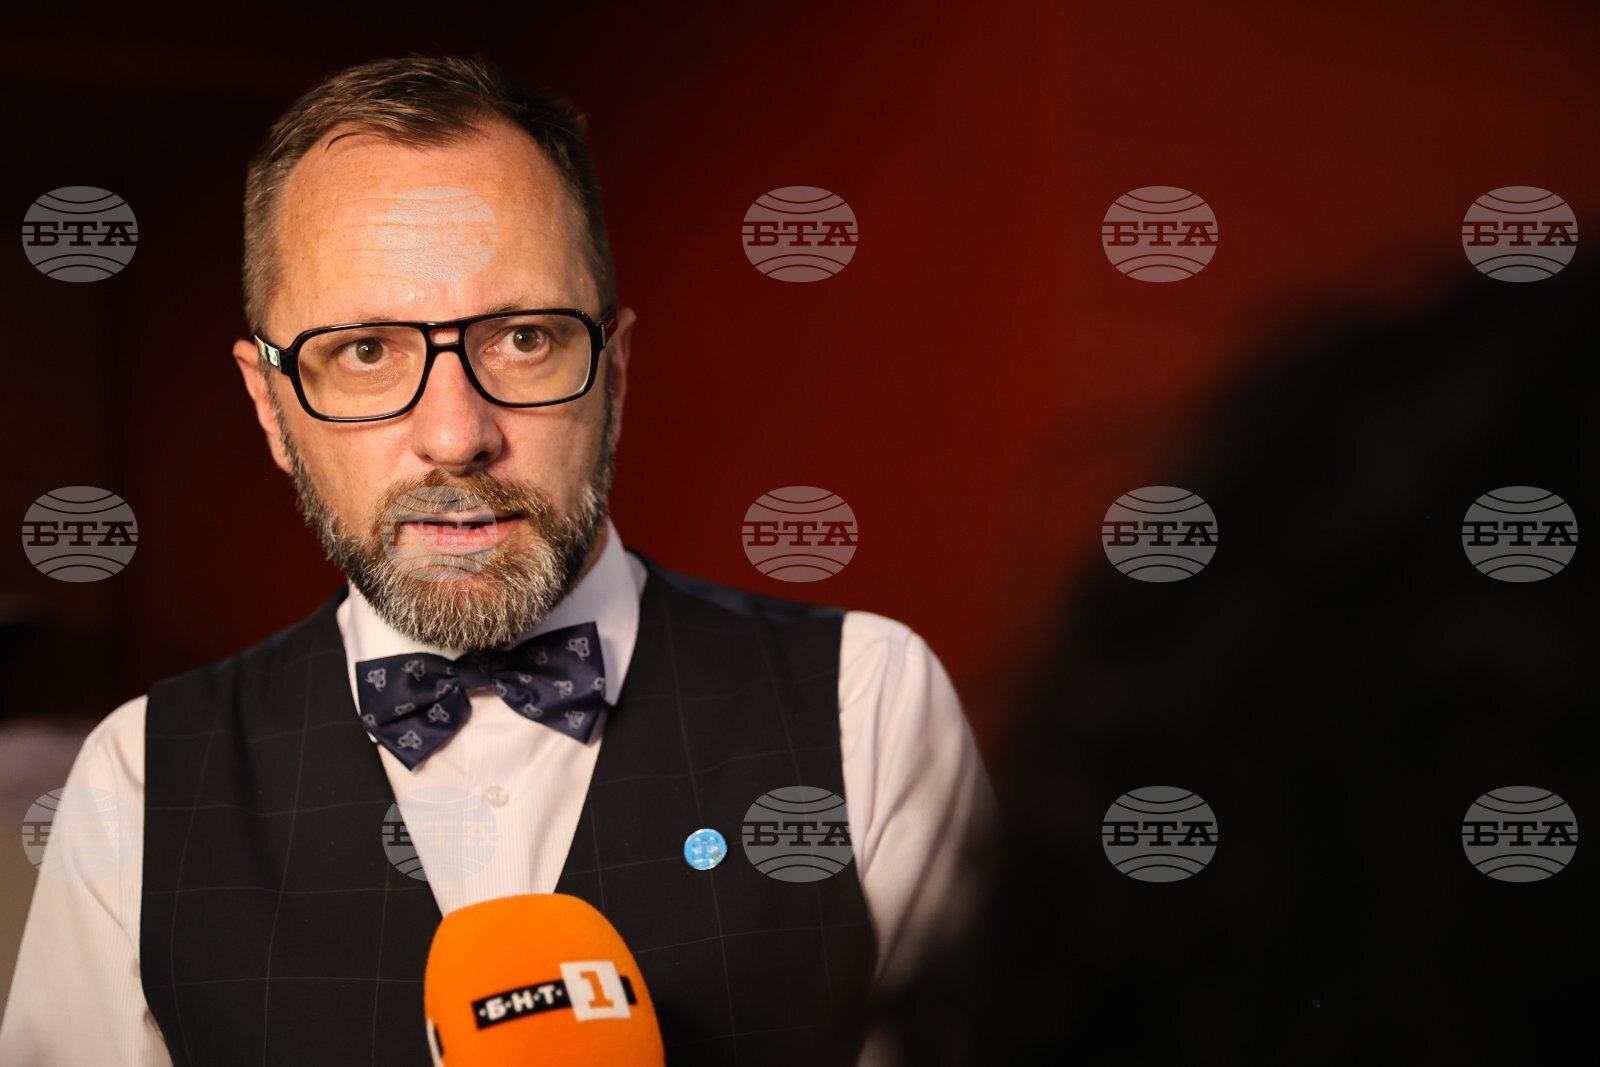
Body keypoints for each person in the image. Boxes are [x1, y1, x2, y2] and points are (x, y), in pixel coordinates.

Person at [0, 55, 994, 1066]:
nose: (455, 435)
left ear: (615, 372)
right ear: (269, 406)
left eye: (522, 337)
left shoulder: (865, 704)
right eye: (365, 349)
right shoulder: (142, 776)